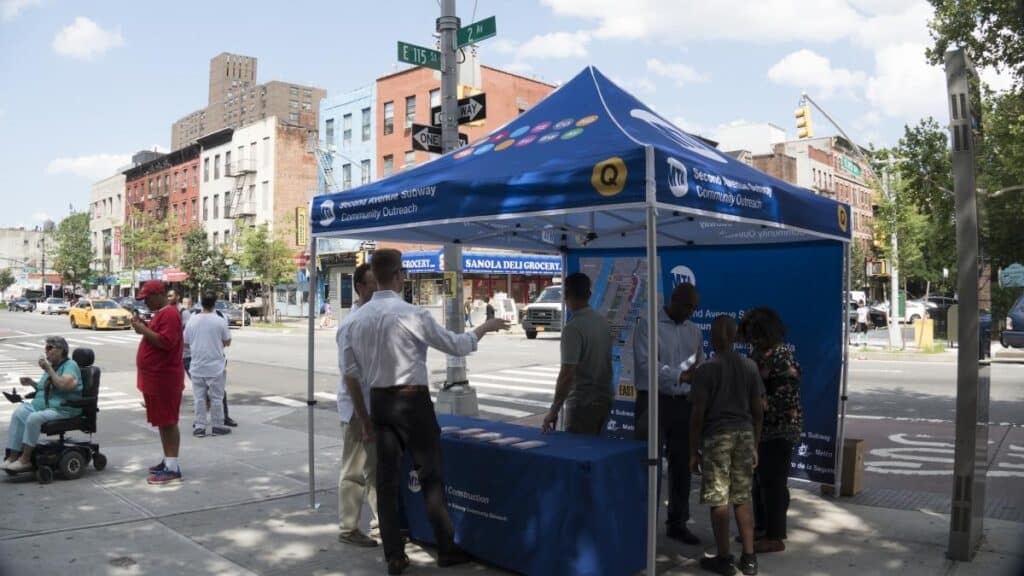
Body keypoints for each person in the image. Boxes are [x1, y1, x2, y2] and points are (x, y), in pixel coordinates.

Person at [343, 249, 508, 575]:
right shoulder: (413, 315)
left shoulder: (356, 321)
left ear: (375, 277)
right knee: (431, 476)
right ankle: (446, 547)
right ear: (399, 275)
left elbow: (351, 372)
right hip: (412, 401)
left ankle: (394, 554)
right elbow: (457, 345)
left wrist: (364, 419)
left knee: (387, 482)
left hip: (379, 402)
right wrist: (485, 327)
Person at [689, 316, 765, 576]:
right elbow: (758, 411)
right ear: (734, 337)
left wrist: (693, 451)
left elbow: (697, 414)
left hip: (717, 437)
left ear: (712, 338)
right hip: (744, 436)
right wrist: (754, 444)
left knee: (718, 499)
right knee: (742, 498)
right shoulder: (750, 366)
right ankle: (750, 557)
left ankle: (724, 558)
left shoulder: (706, 370)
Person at [633, 282, 704, 545]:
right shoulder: (647, 324)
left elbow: (700, 363)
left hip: (683, 404)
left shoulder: (694, 330)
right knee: (647, 464)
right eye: (688, 306)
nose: (691, 312)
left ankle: (678, 522)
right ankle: (642, 524)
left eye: (695, 308)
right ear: (674, 299)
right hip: (652, 402)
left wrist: (698, 378)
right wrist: (680, 375)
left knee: (682, 467)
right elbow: (646, 364)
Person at [740, 307, 802, 554]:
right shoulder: (760, 353)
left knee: (773, 485)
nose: (751, 340)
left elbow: (785, 398)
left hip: (779, 429)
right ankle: (762, 528)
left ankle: (775, 536)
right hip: (761, 430)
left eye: (755, 335)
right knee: (759, 482)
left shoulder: (780, 357)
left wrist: (760, 403)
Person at [336, 263, 380, 548]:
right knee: (354, 470)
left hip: (374, 405)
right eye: (373, 283)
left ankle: (382, 523)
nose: (379, 288)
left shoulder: (373, 319)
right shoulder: (350, 324)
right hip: (356, 408)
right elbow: (350, 377)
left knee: (376, 469)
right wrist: (363, 418)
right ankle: (349, 527)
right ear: (360, 288)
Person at [542, 272, 613, 436]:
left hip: (583, 403)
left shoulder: (573, 328)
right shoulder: (602, 321)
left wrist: (554, 410)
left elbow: (567, 374)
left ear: (566, 295)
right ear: (589, 294)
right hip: (604, 399)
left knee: (579, 454)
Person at [132, 280, 186, 485]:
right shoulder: (162, 314)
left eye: (146, 298)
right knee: (163, 422)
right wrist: (145, 326)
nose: (145, 302)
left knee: (168, 422)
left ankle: (172, 467)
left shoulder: (169, 314)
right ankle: (168, 460)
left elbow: (165, 342)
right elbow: (159, 337)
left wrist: (142, 330)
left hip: (165, 378)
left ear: (157, 295)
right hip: (157, 377)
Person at [3, 337, 82, 472]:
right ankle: (12, 457)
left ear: (61, 350)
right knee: (19, 412)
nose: (46, 351)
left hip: (63, 408)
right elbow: (44, 387)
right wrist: (31, 383)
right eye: (46, 348)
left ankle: (25, 460)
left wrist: (49, 369)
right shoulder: (53, 366)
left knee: (34, 418)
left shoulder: (70, 365)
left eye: (50, 348)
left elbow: (64, 385)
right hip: (45, 406)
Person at [184, 291, 232, 438]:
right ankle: (217, 425)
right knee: (217, 397)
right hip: (216, 365)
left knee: (199, 398)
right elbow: (227, 341)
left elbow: (185, 341)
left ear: (201, 302)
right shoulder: (219, 320)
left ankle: (200, 427)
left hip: (197, 364)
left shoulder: (192, 320)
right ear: (214, 303)